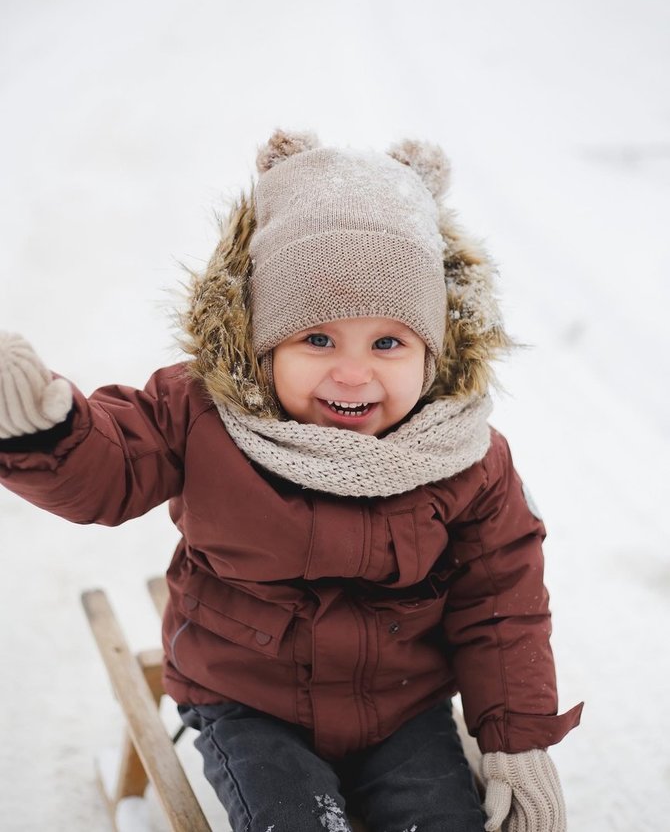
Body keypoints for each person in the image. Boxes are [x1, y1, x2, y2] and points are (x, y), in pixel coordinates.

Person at [0, 129, 582, 832]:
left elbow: (501, 604)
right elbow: (112, 468)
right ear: (262, 337)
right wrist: (46, 434)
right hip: (247, 698)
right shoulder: (202, 413)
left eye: (388, 342)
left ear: (433, 350)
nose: (352, 372)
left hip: (403, 706)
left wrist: (516, 741)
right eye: (317, 338)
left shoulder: (463, 456)